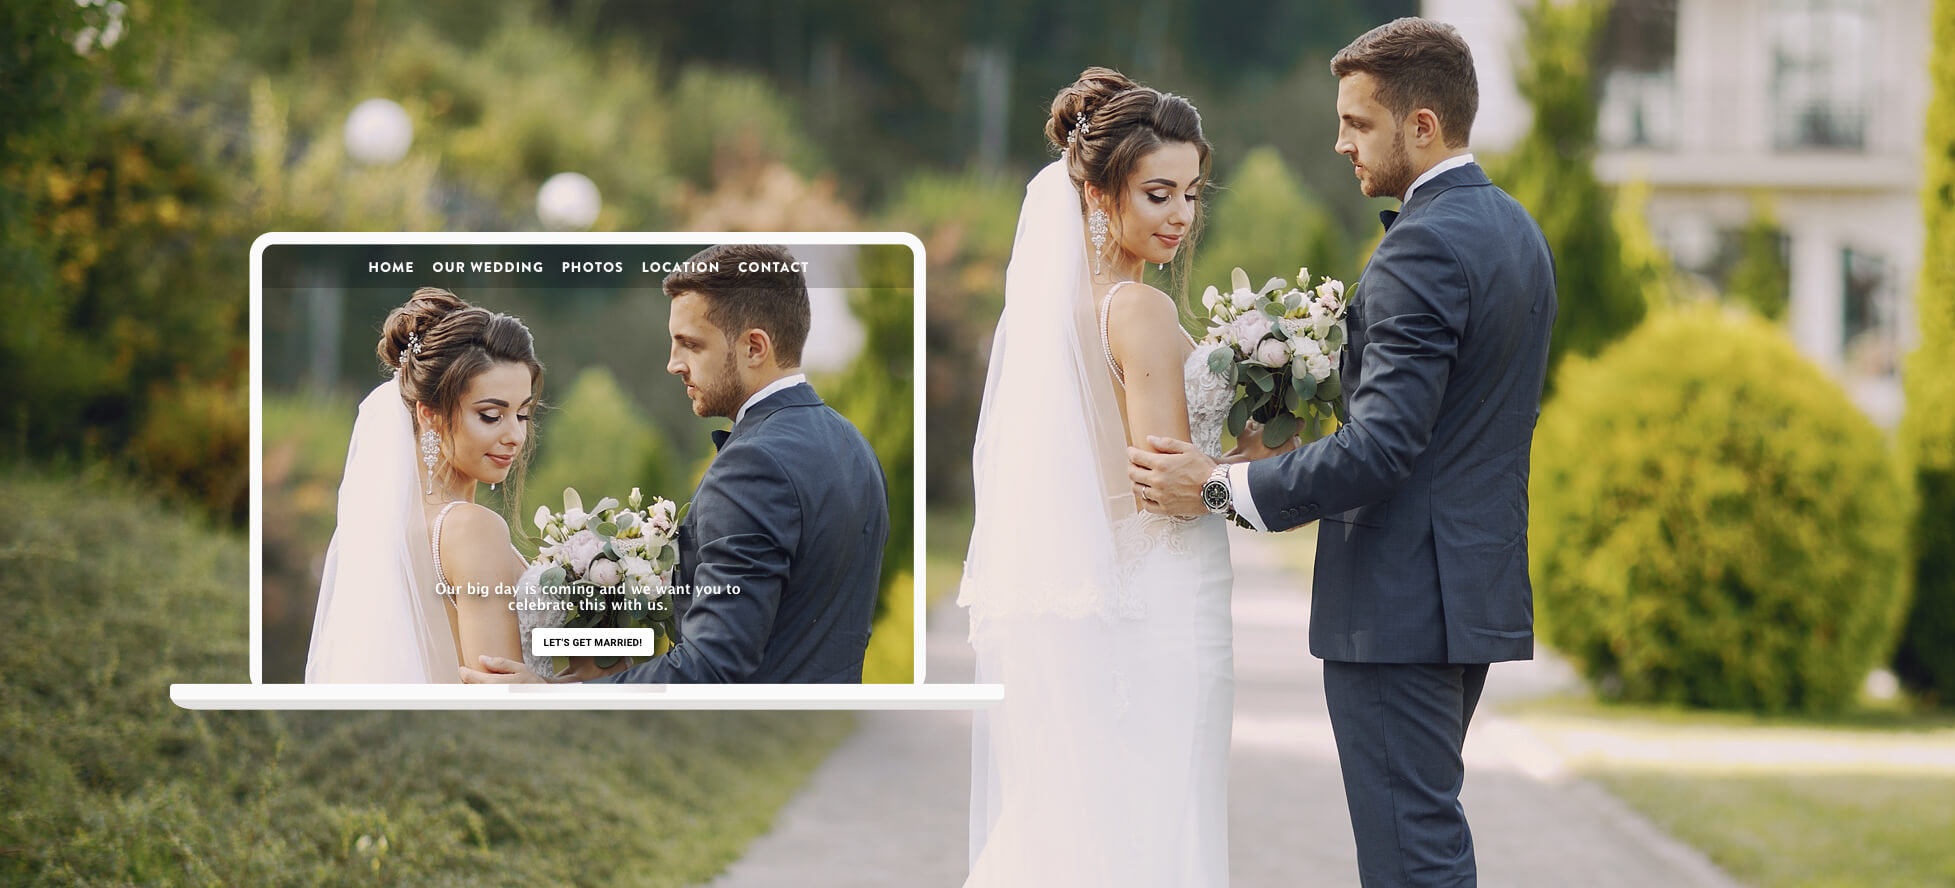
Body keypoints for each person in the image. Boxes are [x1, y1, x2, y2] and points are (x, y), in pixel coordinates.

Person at [1128, 18, 1558, 887]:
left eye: (1359, 123)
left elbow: (1382, 450)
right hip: (1464, 593)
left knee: (1411, 859)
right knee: (1425, 838)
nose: (1339, 143)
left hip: (1399, 607)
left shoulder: (1420, 249)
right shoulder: (1515, 233)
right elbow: (1441, 428)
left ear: (1423, 125)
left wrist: (1217, 487)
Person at [960, 68, 1280, 886]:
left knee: (1100, 810)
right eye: (1159, 194)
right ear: (1103, 196)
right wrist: (1270, 459)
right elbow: (1166, 487)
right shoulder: (1138, 311)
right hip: (1168, 598)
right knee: (1161, 815)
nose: (1181, 215)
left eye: (1193, 194)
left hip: (1124, 595)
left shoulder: (1072, 314)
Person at [464, 243, 889, 684]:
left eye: (690, 344)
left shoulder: (752, 465)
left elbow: (711, 668)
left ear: (755, 347)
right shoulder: (853, 445)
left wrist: (558, 698)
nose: (673, 364)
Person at [304, 288, 544, 683]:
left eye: (522, 414)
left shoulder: (390, 532)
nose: (515, 435)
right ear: (429, 414)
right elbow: (499, 697)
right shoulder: (471, 529)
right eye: (490, 415)